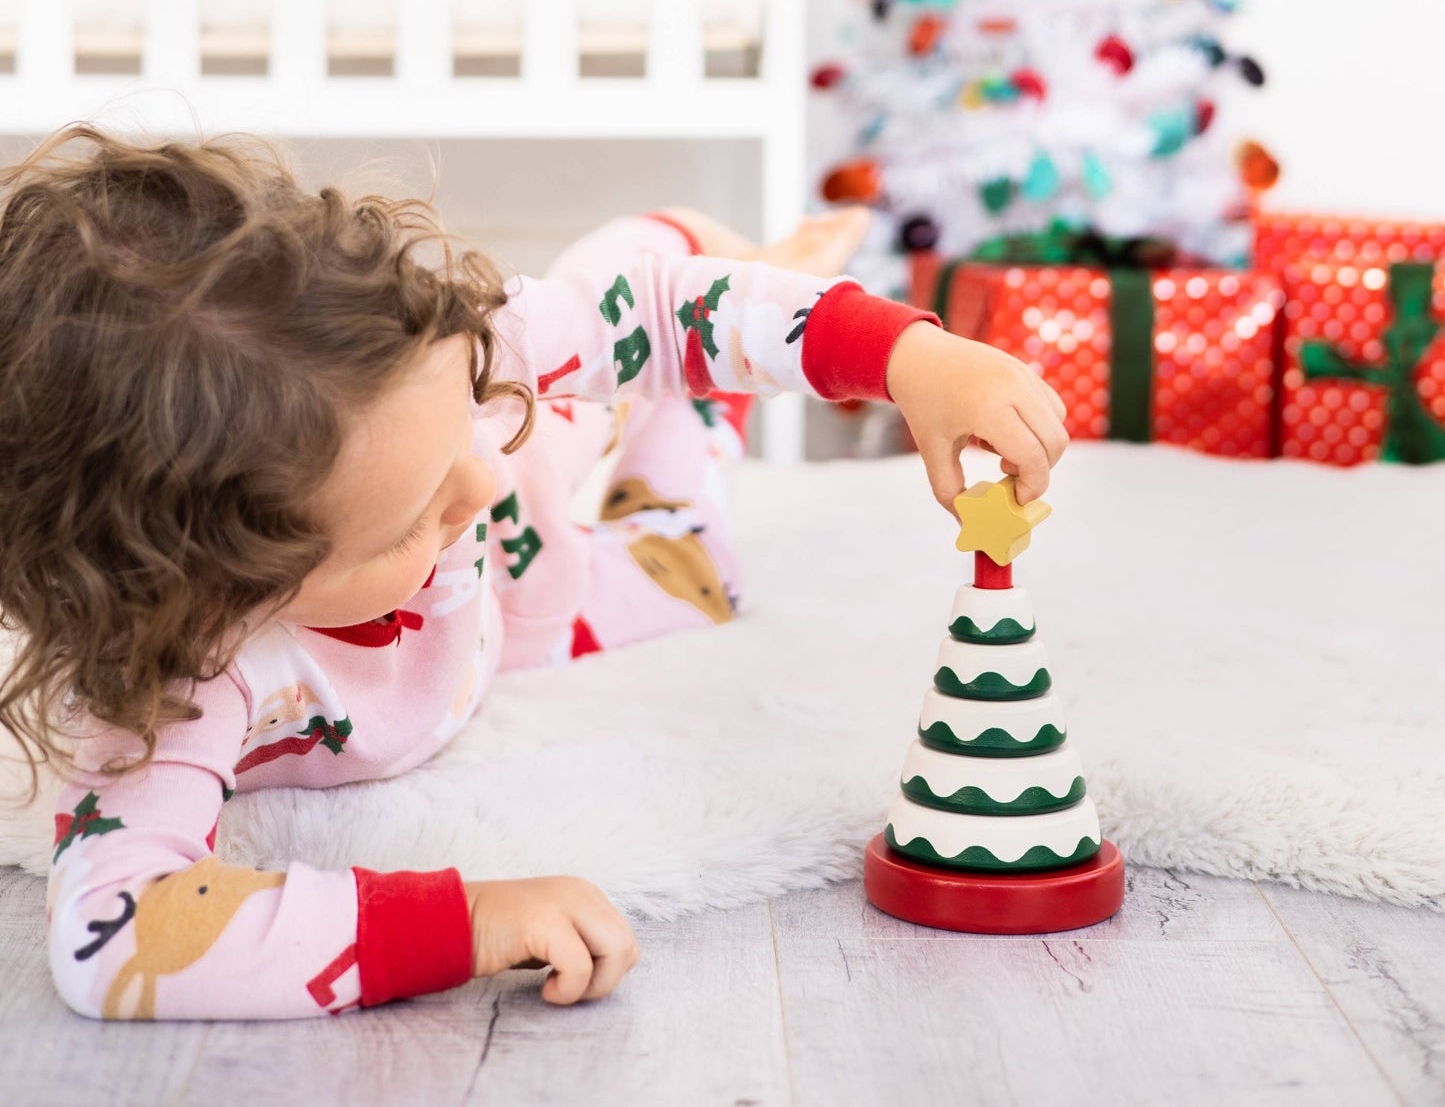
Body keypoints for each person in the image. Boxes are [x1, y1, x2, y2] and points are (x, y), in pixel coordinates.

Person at [0, 125, 1067, 1022]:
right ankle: (688, 397)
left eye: (445, 430)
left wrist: (908, 359)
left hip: (529, 493)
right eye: (405, 521)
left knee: (622, 299)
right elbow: (115, 934)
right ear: (213, 593)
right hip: (520, 615)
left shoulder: (462, 383)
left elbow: (657, 315)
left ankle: (703, 260)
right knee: (696, 573)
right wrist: (459, 921)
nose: (473, 485)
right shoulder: (176, 682)